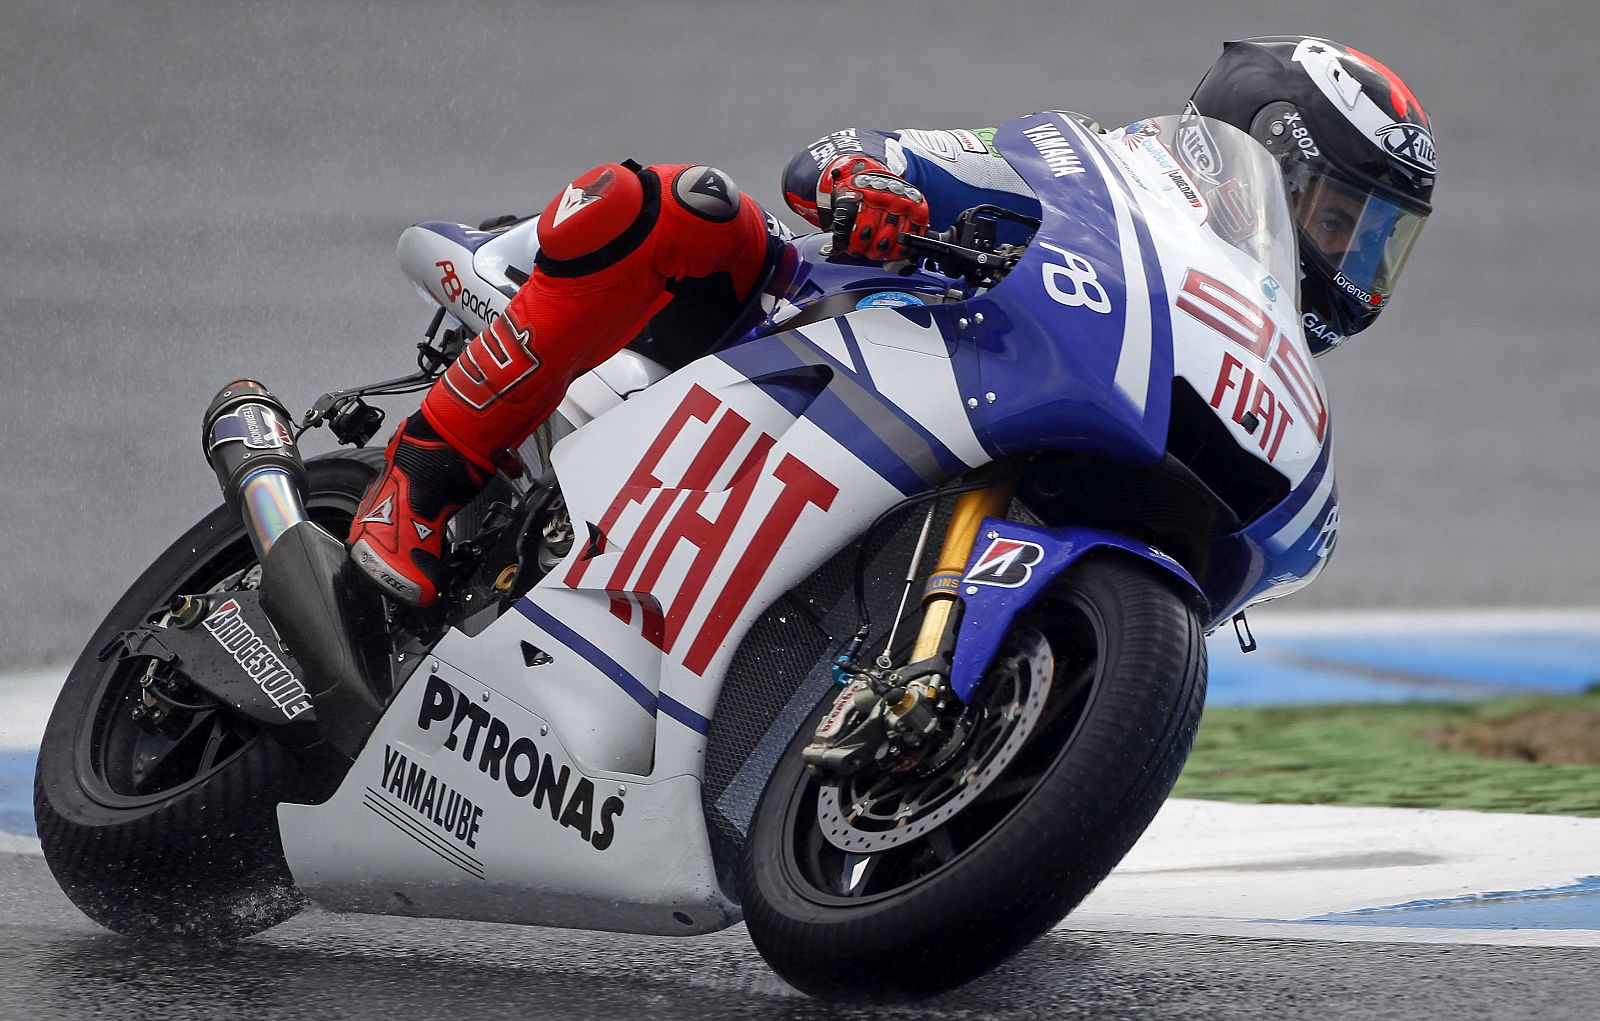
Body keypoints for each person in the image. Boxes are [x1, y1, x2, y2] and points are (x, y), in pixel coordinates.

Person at [348, 35, 1436, 608]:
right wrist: (875, 178)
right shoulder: (1089, 169)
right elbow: (843, 156)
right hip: (795, 323)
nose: (1351, 262)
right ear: (1272, 150)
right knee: (683, 203)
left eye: (1376, 241)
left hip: (939, 429)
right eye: (1344, 220)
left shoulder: (1219, 333)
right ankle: (421, 478)